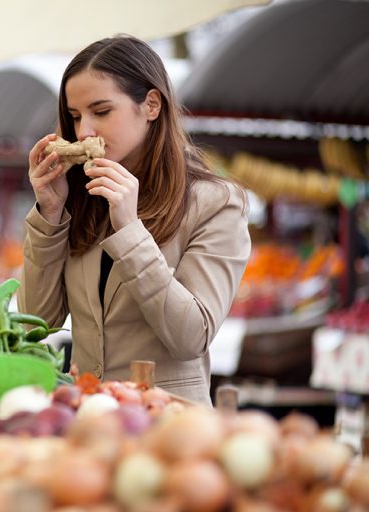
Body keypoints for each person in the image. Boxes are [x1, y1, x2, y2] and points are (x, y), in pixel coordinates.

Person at [17, 36, 251, 405]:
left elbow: (192, 336)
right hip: (88, 414)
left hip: (169, 424)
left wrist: (129, 229)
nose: (83, 132)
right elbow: (37, 322)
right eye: (75, 116)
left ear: (152, 105)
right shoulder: (81, 196)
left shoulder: (216, 203)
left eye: (101, 111)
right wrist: (49, 213)